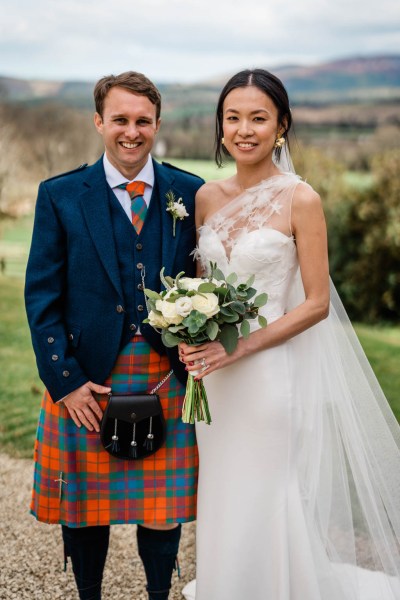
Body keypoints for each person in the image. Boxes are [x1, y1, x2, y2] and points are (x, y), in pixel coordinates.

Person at [179, 69, 400, 600]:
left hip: (267, 373)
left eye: (258, 118)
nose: (244, 129)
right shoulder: (206, 197)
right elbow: (204, 290)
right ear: (220, 127)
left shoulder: (302, 199)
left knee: (268, 488)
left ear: (281, 126)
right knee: (224, 488)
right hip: (214, 377)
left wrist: (241, 348)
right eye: (233, 118)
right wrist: (187, 325)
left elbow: (318, 304)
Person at [25, 71, 203, 600]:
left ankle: (157, 595)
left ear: (157, 123)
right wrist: (67, 382)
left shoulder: (190, 191)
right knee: (84, 505)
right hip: (87, 375)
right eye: (120, 120)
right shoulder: (59, 195)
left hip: (164, 373)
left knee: (161, 507)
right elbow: (42, 297)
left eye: (142, 121)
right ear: (99, 122)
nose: (132, 131)